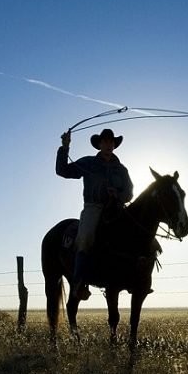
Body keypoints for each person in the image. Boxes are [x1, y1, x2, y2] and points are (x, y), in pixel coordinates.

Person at [56, 128, 134, 300]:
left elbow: (129, 193)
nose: (108, 144)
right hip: (94, 207)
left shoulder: (121, 169)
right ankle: (78, 283)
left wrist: (118, 195)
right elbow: (63, 171)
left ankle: (137, 279)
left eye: (111, 142)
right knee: (85, 238)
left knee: (138, 232)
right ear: (99, 144)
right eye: (105, 141)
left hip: (117, 208)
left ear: (114, 145)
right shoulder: (89, 163)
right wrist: (65, 147)